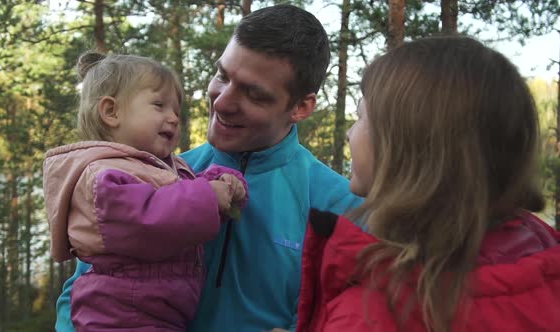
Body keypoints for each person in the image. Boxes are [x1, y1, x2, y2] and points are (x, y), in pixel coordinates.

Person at [55, 4, 363, 332]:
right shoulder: (152, 173)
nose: (221, 102)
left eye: (254, 94)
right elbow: (81, 291)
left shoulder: (340, 208)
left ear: (301, 107)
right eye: (222, 75)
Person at [296, 36, 560, 332]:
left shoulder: (375, 312)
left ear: (406, 147)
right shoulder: (542, 259)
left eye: (360, 117)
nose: (349, 134)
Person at [44, 51, 248, 331]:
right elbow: (149, 219)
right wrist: (208, 196)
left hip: (157, 311)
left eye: (176, 110)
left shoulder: (162, 167)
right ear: (111, 112)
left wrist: (223, 183)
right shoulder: (102, 176)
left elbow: (183, 204)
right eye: (159, 105)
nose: (174, 118)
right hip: (119, 313)